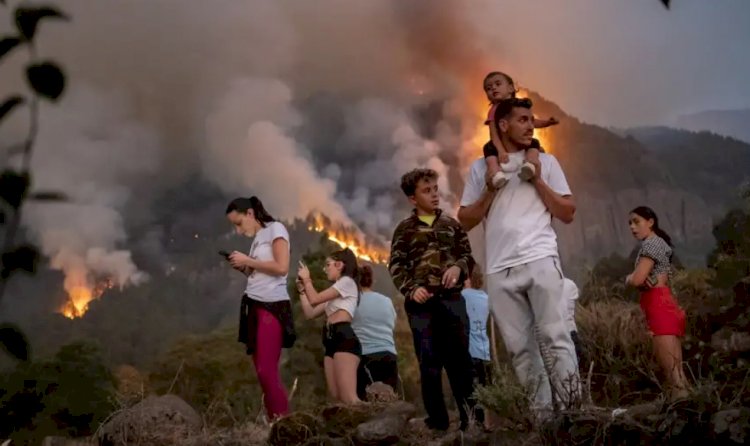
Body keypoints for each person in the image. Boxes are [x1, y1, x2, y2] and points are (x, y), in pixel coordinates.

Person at [458, 97, 580, 417]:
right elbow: (465, 220)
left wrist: (537, 178)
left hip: (540, 259)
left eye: (531, 120)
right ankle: (543, 421)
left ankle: (573, 415)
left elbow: (567, 212)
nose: (530, 126)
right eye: (523, 120)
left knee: (556, 338)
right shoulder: (480, 168)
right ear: (503, 125)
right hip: (499, 269)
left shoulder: (547, 162)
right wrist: (489, 190)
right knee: (520, 351)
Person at [389, 168, 479, 432]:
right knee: (429, 363)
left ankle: (470, 420)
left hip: (452, 301)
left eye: (435, 189)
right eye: (426, 191)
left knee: (461, 362)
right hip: (421, 306)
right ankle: (437, 421)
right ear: (413, 199)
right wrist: (410, 289)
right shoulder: (404, 230)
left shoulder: (452, 225)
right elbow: (395, 265)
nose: (434, 195)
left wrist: (458, 268)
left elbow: (467, 255)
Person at [225, 196, 296, 421]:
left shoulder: (276, 229)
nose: (238, 230)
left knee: (267, 369)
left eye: (238, 223)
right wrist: (245, 267)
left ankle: (284, 421)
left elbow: (282, 267)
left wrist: (249, 260)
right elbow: (260, 271)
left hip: (272, 305)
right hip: (253, 305)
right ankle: (274, 420)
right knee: (261, 371)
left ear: (250, 214)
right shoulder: (257, 239)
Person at [625, 206, 689, 401]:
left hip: (659, 306)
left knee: (674, 379)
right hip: (664, 303)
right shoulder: (660, 244)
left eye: (636, 221)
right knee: (678, 376)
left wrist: (628, 278)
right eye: (630, 223)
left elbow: (637, 279)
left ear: (650, 222)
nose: (632, 227)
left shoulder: (651, 244)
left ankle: (686, 422)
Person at [297, 248, 362, 404]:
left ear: (339, 265)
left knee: (349, 397)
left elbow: (314, 299)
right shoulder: (334, 293)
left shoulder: (347, 282)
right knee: (336, 396)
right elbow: (310, 312)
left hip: (343, 337)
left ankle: (376, 419)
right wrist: (301, 291)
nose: (325, 269)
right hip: (330, 339)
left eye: (328, 265)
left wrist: (307, 280)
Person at [482, 71, 559, 189]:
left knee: (534, 142)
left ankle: (531, 163)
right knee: (488, 149)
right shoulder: (493, 111)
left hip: (518, 144)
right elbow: (493, 134)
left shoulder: (519, 107)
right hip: (499, 144)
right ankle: (495, 173)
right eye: (489, 88)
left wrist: (547, 123)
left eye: (498, 84)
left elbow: (531, 123)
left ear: (511, 88)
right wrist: (501, 150)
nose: (493, 88)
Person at [351, 265, 400, 400]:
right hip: (388, 354)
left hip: (364, 356)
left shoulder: (353, 302)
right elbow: (392, 324)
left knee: (365, 403)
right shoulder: (386, 301)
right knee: (389, 402)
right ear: (372, 280)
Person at [461, 267, 492, 389]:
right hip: (485, 353)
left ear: (467, 279)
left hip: (469, 352)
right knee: (487, 389)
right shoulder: (486, 298)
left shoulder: (462, 296)